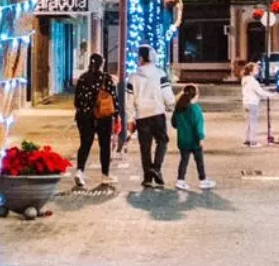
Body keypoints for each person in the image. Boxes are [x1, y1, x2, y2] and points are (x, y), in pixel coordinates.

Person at [128, 45, 173, 188]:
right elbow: (168, 96)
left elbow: (128, 101)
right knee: (162, 141)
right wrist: (171, 105)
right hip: (157, 113)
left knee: (145, 147)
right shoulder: (160, 74)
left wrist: (130, 118)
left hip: (142, 116)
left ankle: (147, 177)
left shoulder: (133, 77)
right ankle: (156, 168)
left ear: (141, 58)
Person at [71, 52, 118, 188]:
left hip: (84, 116)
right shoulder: (107, 79)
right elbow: (114, 100)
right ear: (101, 64)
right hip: (103, 117)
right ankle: (105, 175)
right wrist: (117, 115)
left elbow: (76, 101)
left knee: (85, 143)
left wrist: (85, 108)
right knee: (104, 146)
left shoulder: (82, 78)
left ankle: (80, 171)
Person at [172, 85, 213, 190]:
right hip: (194, 141)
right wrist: (201, 138)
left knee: (184, 160)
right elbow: (198, 125)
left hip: (182, 140)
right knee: (199, 161)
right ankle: (203, 180)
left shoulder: (178, 108)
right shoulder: (195, 109)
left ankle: (180, 180)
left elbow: (174, 124)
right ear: (196, 95)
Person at [238, 59, 270, 146]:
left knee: (249, 122)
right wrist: (270, 95)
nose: (257, 71)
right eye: (256, 69)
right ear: (251, 71)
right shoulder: (252, 81)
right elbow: (260, 92)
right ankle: (253, 141)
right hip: (253, 103)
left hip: (246, 102)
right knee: (253, 123)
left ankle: (247, 140)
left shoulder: (245, 79)